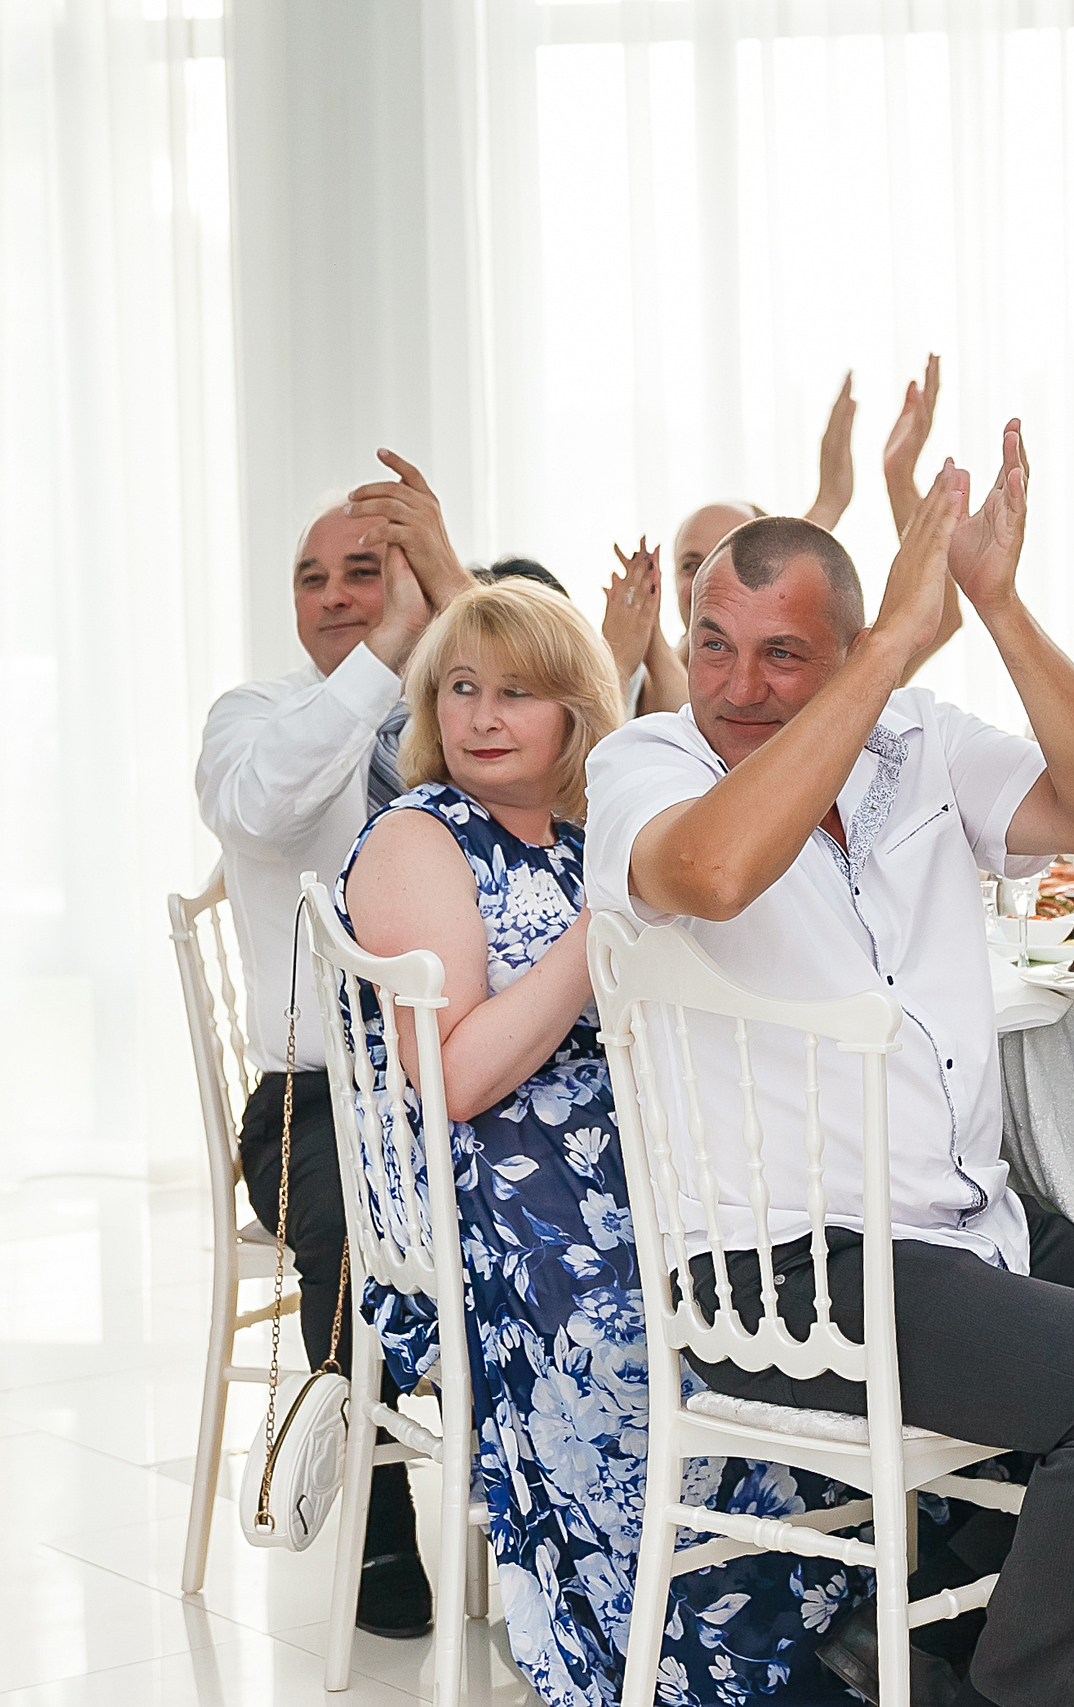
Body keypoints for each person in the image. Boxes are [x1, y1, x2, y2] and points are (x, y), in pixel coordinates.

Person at [585, 428, 1074, 1707]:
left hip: (951, 1227)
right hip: (780, 1269)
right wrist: (877, 656)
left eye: (784, 654)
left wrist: (993, 603)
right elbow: (711, 877)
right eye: (716, 643)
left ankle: (917, 1653)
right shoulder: (644, 762)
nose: (738, 684)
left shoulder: (915, 743)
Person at [338, 578, 881, 1705]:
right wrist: (607, 921)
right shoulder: (417, 835)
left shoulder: (591, 832)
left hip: (649, 1157)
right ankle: (688, 1656)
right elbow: (458, 1079)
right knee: (631, 1332)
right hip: (490, 1191)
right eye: (462, 690)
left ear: (577, 713)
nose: (484, 716)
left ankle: (807, 1619)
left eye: (519, 693)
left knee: (790, 1284)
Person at [193, 480, 469, 1637]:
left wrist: (445, 633)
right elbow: (259, 811)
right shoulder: (254, 713)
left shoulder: (474, 705)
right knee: (355, 1216)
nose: (336, 596)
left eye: (365, 569)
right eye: (313, 577)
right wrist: (381, 664)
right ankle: (382, 1521)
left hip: (478, 1078)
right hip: (317, 1100)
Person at [623, 358, 965, 716]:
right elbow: (684, 712)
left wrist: (900, 480)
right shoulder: (637, 672)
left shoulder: (815, 680)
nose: (710, 578)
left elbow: (939, 620)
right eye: (692, 565)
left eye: (739, 560)